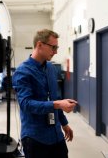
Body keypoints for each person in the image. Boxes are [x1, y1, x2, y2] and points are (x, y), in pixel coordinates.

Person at [12, 29, 77, 158]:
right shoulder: (23, 71)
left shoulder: (51, 68)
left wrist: (64, 123)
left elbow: (55, 98)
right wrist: (57, 104)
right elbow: (26, 104)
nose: (56, 51)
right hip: (35, 138)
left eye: (56, 47)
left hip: (56, 136)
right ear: (39, 45)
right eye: (53, 47)